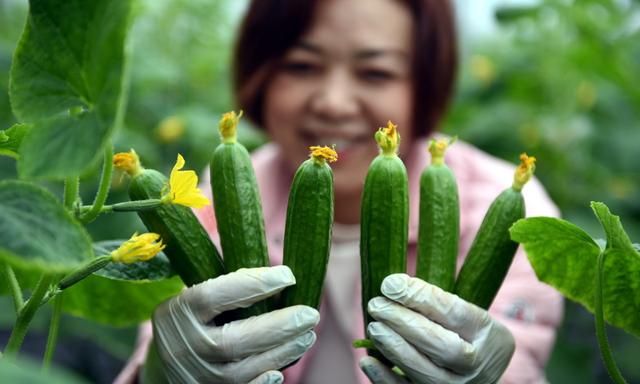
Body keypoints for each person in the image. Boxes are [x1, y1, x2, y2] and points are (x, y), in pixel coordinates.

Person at [116, 0, 563, 383]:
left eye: (375, 71)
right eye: (302, 65)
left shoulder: (500, 206)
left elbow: (519, 355)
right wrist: (160, 370)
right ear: (261, 74)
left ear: (424, 85)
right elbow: (162, 355)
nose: (333, 101)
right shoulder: (209, 198)